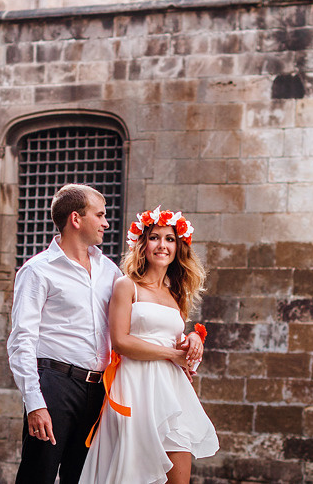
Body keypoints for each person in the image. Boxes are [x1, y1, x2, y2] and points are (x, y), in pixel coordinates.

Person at [78, 207, 219, 484]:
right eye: (154, 237)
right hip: (135, 385)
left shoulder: (176, 293)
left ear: (178, 247)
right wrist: (171, 354)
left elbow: (173, 340)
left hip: (171, 388)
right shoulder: (127, 285)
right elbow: (121, 341)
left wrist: (191, 339)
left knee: (179, 465)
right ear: (143, 244)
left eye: (170, 239)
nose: (162, 245)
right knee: (134, 472)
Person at [7, 184, 123, 484]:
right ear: (76, 219)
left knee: (85, 478)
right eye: (100, 215)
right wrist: (35, 403)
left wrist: (186, 339)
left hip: (99, 391)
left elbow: (135, 319)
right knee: (38, 476)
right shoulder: (37, 271)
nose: (106, 223)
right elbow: (22, 340)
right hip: (55, 386)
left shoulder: (110, 271)